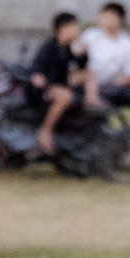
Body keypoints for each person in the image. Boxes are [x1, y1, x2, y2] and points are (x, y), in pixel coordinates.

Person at [28, 11, 84, 158]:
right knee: (65, 96)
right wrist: (43, 83)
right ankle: (46, 131)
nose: (78, 30)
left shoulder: (68, 48)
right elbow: (38, 72)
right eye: (75, 26)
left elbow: (80, 66)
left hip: (61, 87)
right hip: (44, 91)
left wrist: (82, 53)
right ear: (65, 28)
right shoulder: (50, 47)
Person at [76, 0, 130, 109]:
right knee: (90, 74)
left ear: (119, 19)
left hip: (109, 83)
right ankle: (92, 102)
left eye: (108, 17)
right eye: (102, 16)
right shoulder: (91, 35)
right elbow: (75, 52)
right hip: (85, 79)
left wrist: (119, 82)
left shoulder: (127, 43)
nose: (103, 20)